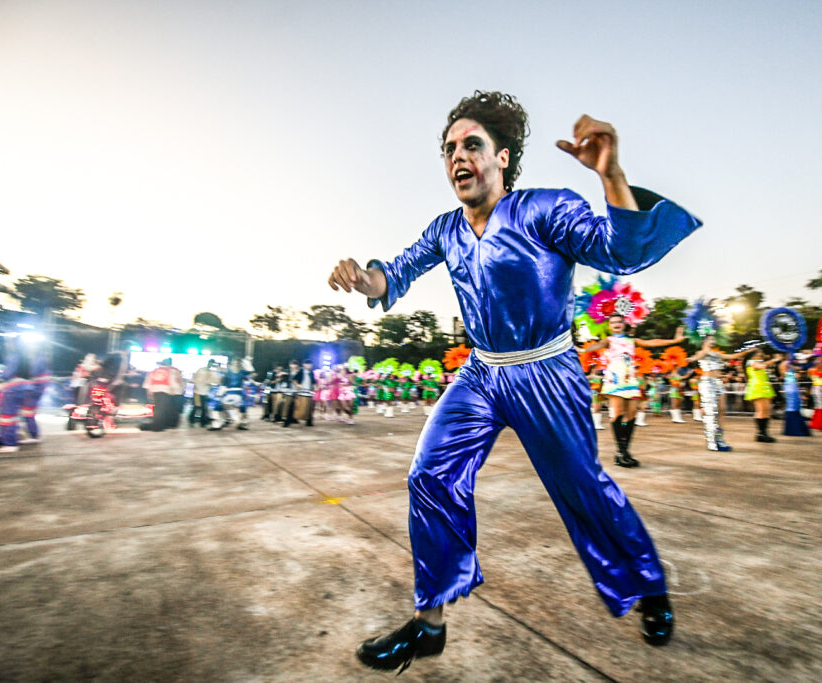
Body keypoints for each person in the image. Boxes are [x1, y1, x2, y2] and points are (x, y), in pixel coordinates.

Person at [329, 91, 700, 672]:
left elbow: (618, 251)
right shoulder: (446, 229)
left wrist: (612, 175)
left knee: (583, 488)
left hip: (547, 370)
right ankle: (430, 622)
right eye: (450, 148)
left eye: (472, 145)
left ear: (502, 158)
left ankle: (649, 586)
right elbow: (392, 275)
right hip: (480, 372)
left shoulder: (544, 209)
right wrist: (364, 279)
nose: (459, 157)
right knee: (430, 473)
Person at [584, 316, 685, 467]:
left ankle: (625, 451)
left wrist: (674, 341)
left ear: (624, 324)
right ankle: (620, 452)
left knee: (632, 414)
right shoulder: (609, 340)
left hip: (630, 379)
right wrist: (581, 349)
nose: (616, 324)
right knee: (617, 413)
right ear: (609, 326)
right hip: (616, 379)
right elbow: (595, 346)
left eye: (619, 322)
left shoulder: (632, 340)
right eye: (612, 322)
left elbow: (652, 342)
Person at [743, 348, 777, 442]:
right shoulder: (750, 362)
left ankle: (764, 432)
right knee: (761, 410)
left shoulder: (758, 362)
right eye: (759, 353)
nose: (761, 354)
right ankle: (761, 433)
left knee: (766, 410)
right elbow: (761, 366)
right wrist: (774, 360)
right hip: (757, 387)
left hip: (764, 387)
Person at [142, 359, 185, 431]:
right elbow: (173, 382)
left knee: (158, 409)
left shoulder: (154, 371)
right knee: (164, 409)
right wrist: (174, 391)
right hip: (165, 391)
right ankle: (160, 425)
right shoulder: (170, 371)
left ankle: (157, 424)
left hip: (155, 391)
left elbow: (148, 382)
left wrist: (149, 392)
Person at [190, 360, 220, 427]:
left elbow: (216, 381)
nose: (211, 365)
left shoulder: (212, 372)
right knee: (197, 406)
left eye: (212, 364)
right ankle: (193, 420)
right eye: (211, 363)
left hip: (204, 392)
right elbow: (194, 378)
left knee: (203, 407)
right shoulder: (202, 370)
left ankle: (202, 421)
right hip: (197, 391)